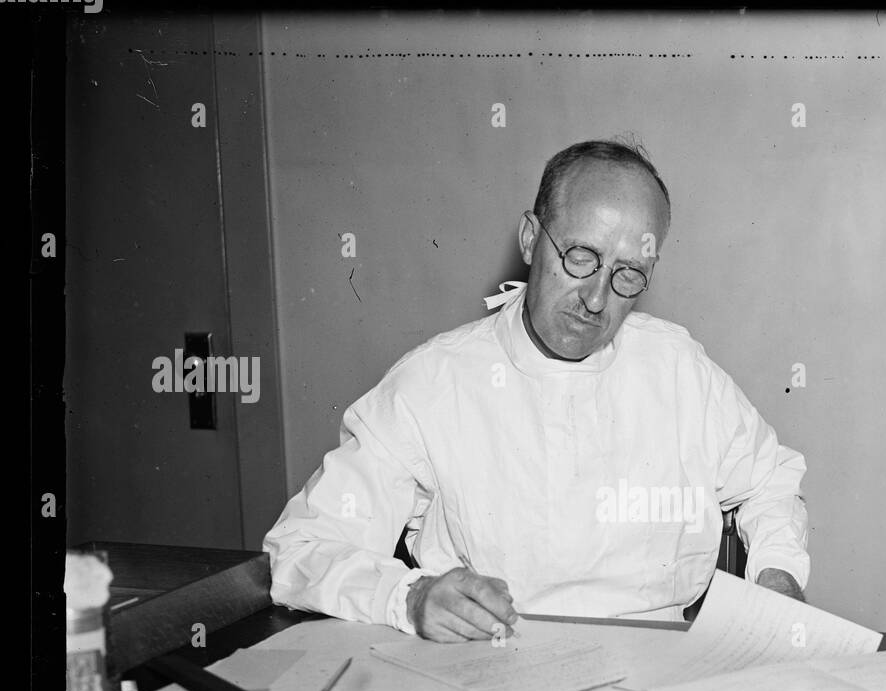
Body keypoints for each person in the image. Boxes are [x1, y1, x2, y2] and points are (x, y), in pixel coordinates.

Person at [264, 138, 809, 642]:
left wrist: (777, 574)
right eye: (580, 258)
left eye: (628, 274)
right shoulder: (434, 384)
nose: (596, 299)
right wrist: (408, 597)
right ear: (530, 238)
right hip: (496, 660)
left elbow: (770, 481)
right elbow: (301, 547)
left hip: (659, 661)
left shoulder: (677, 369)